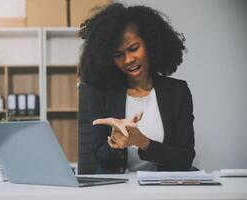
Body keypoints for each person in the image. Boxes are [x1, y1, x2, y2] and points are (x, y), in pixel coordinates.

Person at [78, 3, 195, 173]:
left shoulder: (177, 92)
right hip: (118, 191)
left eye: (134, 49)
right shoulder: (101, 93)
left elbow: (184, 159)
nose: (128, 60)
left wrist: (142, 142)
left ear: (150, 44)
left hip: (163, 190)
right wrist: (114, 144)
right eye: (118, 55)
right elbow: (100, 158)